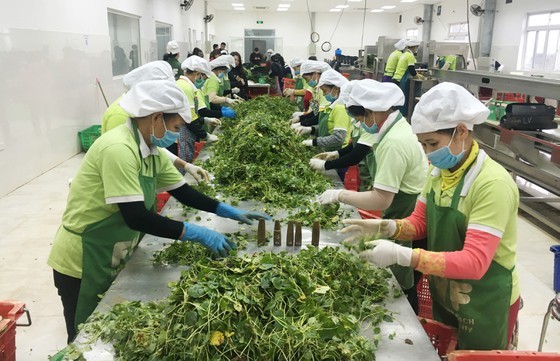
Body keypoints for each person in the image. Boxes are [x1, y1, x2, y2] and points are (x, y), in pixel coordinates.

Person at [48, 80, 271, 343]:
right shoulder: (119, 149)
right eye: (176, 127)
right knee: (84, 338)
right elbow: (136, 217)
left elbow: (182, 192)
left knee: (107, 328)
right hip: (83, 258)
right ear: (156, 118)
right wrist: (196, 233)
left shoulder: (151, 149)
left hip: (111, 248)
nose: (176, 134)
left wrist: (225, 210)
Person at [343, 82, 520, 351]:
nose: (427, 153)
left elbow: (475, 262)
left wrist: (404, 256)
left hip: (487, 301)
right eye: (422, 144)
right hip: (447, 291)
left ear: (461, 131)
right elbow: (420, 223)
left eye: (432, 143)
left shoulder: (491, 184)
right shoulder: (439, 173)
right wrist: (385, 227)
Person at [319, 79, 428, 311]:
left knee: (401, 271)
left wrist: (340, 195)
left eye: (360, 119)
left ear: (370, 112)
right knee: (400, 266)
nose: (361, 124)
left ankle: (408, 315)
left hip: (406, 210)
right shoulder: (394, 127)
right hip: (405, 206)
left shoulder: (393, 142)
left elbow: (381, 198)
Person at [101, 61, 210, 182]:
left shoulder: (142, 111)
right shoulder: (121, 113)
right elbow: (120, 162)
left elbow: (152, 148)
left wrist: (185, 165)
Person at [309, 80, 375, 192]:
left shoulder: (370, 125)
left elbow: (356, 154)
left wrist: (325, 165)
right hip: (364, 170)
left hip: (373, 176)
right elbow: (356, 145)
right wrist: (336, 154)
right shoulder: (361, 121)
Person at [293, 70, 352, 163]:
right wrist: (310, 129)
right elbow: (327, 126)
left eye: (325, 91)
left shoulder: (340, 108)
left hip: (338, 154)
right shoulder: (331, 104)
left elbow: (338, 138)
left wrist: (313, 142)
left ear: (336, 89)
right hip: (328, 151)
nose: (324, 94)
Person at [177, 56, 223, 164]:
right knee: (184, 161)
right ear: (197, 74)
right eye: (203, 78)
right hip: (183, 130)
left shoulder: (187, 86)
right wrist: (206, 135)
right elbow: (190, 119)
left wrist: (205, 120)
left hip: (186, 130)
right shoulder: (186, 87)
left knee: (187, 158)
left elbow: (193, 113)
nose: (203, 81)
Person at [288, 60, 331, 126]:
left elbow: (320, 115)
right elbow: (315, 111)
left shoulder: (324, 90)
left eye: (306, 79)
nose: (307, 82)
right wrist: (299, 119)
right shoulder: (315, 88)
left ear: (315, 75)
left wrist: (301, 123)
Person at [392, 39, 421, 117]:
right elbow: (411, 70)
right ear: (414, 47)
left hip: (396, 78)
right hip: (402, 80)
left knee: (398, 101)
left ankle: (397, 116)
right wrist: (418, 76)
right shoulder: (410, 56)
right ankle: (403, 117)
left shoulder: (404, 54)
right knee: (403, 101)